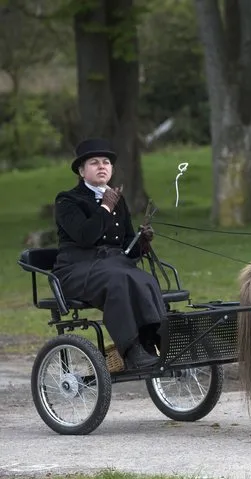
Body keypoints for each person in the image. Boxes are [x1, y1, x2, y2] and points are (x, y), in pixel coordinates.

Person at [53, 138, 163, 370]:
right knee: (118, 280)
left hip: (113, 264)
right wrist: (105, 207)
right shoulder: (67, 200)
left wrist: (141, 242)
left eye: (106, 162)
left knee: (146, 280)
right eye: (94, 162)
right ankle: (131, 349)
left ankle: (154, 340)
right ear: (82, 171)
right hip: (76, 269)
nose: (102, 166)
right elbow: (85, 237)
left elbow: (126, 247)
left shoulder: (117, 200)